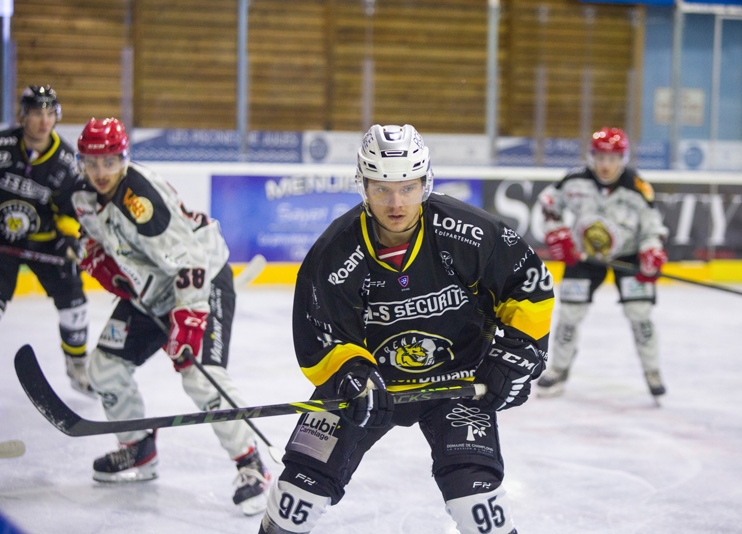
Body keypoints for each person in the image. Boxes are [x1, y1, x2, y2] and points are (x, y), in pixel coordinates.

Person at [258, 124, 555, 534]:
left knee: (477, 504)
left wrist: (517, 355)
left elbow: (528, 284)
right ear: (363, 186)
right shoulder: (335, 251)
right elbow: (322, 333)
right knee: (296, 497)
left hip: (457, 379)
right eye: (382, 188)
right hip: (369, 386)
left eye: (407, 187)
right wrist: (351, 375)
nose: (396, 203)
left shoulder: (469, 232)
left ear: (424, 183)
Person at [71, 117, 271, 515]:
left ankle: (251, 463)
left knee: (198, 374)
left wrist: (190, 320)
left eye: (109, 162)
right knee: (105, 369)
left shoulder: (140, 198)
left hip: (201, 280)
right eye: (91, 163)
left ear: (123, 159)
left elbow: (190, 259)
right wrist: (93, 253)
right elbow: (93, 233)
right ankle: (137, 448)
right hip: (151, 291)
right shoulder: (84, 195)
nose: (100, 172)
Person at [535, 126, 669, 399]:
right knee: (569, 314)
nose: (606, 165)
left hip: (628, 256)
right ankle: (559, 368)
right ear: (591, 156)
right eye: (600, 158)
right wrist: (556, 232)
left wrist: (651, 252)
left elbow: (652, 228)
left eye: (613, 159)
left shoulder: (637, 187)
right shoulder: (574, 180)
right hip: (584, 256)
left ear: (623, 159)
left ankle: (652, 371)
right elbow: (549, 203)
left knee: (640, 314)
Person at [0, 85, 92, 396]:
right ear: (23, 115)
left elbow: (70, 207)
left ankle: (78, 365)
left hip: (46, 242)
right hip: (2, 242)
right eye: (37, 113)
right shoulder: (2, 146)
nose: (44, 121)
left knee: (74, 302)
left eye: (50, 113)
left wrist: (69, 239)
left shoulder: (65, 159)